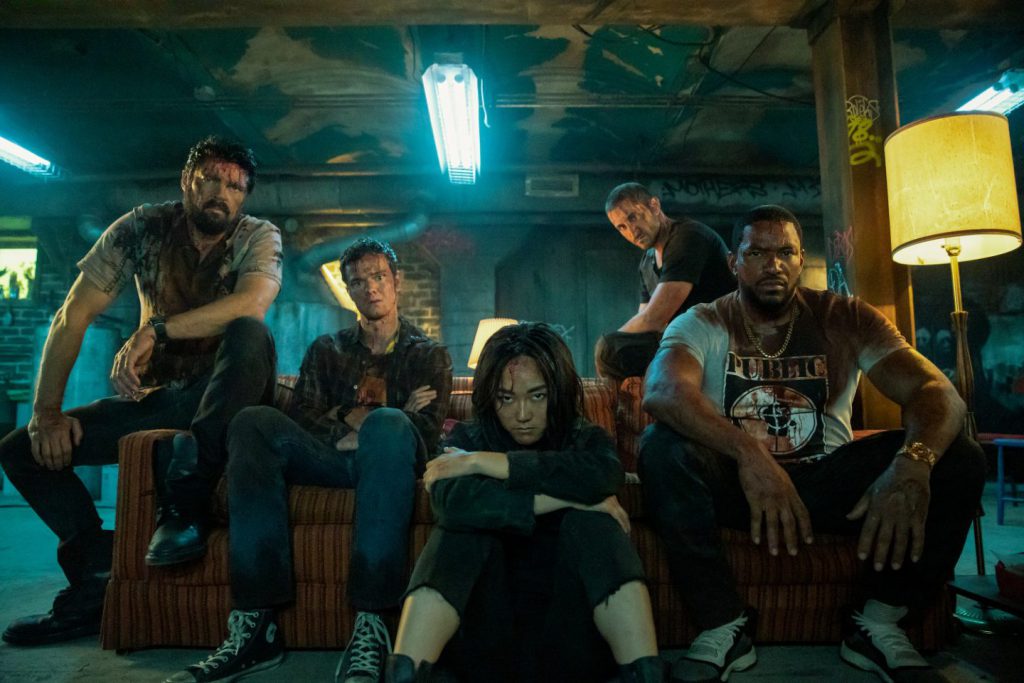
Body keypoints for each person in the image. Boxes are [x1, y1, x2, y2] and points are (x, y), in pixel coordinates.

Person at [639, 204, 985, 683]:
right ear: (734, 263)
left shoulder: (845, 316)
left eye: (786, 252)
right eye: (756, 253)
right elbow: (662, 390)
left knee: (961, 457)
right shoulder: (703, 320)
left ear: (802, 260)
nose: (773, 264)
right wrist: (749, 453)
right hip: (741, 486)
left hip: (827, 482)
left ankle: (876, 623)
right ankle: (724, 624)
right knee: (660, 447)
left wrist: (912, 463)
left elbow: (937, 393)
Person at [0, 136, 282, 647]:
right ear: (187, 181)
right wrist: (46, 412)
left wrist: (157, 329)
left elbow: (251, 304)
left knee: (249, 332)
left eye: (235, 186)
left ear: (245, 197)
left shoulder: (257, 235)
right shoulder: (140, 228)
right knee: (21, 451)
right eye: (211, 180)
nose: (222, 193)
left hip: (225, 402)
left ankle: (185, 500)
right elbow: (73, 315)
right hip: (158, 399)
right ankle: (96, 575)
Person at [164, 237, 452, 683]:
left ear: (396, 282)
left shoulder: (429, 354)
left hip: (391, 467)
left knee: (389, 426)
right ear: (349, 291)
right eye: (358, 282)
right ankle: (256, 623)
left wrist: (366, 421)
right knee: (253, 421)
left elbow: (426, 431)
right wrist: (351, 419)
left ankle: (373, 622)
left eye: (378, 277)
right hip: (330, 462)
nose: (370, 288)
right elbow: (304, 418)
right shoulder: (326, 349)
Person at [386, 322, 666, 683]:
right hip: (485, 637)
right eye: (506, 398)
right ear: (491, 397)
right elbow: (453, 503)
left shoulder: (581, 437)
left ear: (558, 393)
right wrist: (568, 500)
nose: (522, 414)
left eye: (538, 396)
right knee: (460, 530)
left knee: (597, 523)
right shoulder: (469, 438)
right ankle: (406, 672)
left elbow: (605, 475)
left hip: (569, 636)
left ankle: (643, 672)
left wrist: (488, 463)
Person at [596, 182, 733, 385]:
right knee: (617, 350)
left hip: (721, 341)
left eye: (632, 217)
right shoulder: (647, 262)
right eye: (621, 227)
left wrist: (609, 346)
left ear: (654, 206)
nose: (631, 231)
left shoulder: (688, 237)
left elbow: (654, 318)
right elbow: (644, 323)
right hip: (684, 341)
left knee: (608, 348)